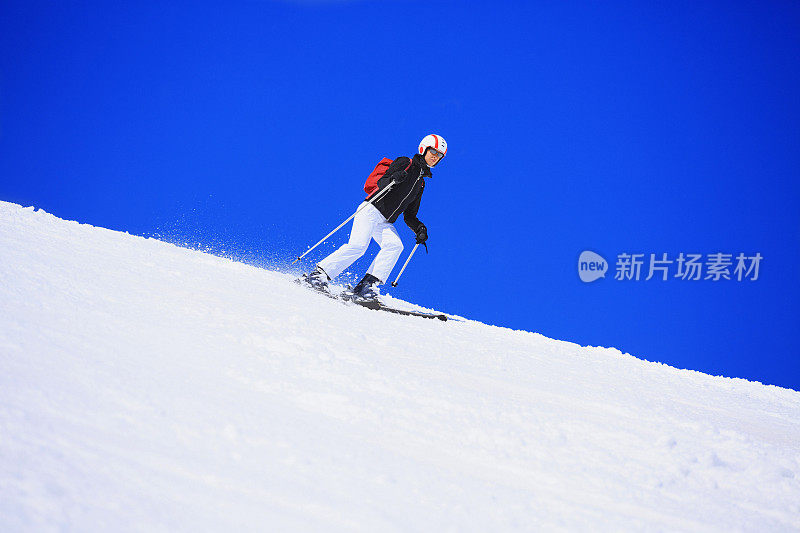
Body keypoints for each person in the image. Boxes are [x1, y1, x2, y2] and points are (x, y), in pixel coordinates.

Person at [300, 134, 447, 300]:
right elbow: (382, 182)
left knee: (395, 245)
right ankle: (318, 275)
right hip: (370, 209)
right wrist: (394, 178)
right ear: (424, 148)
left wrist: (419, 228)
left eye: (440, 155)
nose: (435, 156)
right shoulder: (405, 162)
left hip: (384, 221)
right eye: (433, 151)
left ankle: (366, 287)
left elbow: (409, 215)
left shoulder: (421, 184)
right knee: (358, 247)